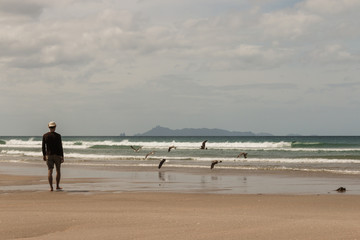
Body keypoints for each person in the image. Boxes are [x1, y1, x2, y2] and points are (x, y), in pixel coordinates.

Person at [42, 121, 64, 191]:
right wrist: (62, 156)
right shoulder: (58, 136)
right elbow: (60, 147)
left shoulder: (45, 135)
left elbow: (43, 147)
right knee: (58, 170)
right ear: (55, 127)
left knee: (50, 170)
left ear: (48, 127)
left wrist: (44, 155)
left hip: (49, 155)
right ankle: (57, 186)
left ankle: (51, 187)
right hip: (57, 155)